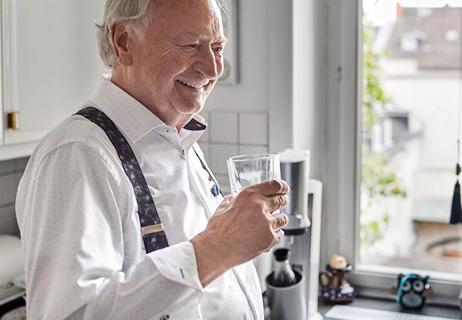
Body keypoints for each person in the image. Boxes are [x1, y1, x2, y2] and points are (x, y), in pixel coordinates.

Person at [15, 0, 289, 319]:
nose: (213, 68)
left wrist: (232, 233)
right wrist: (218, 247)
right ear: (124, 41)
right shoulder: (78, 153)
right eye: (190, 44)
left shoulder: (180, 138)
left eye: (217, 47)